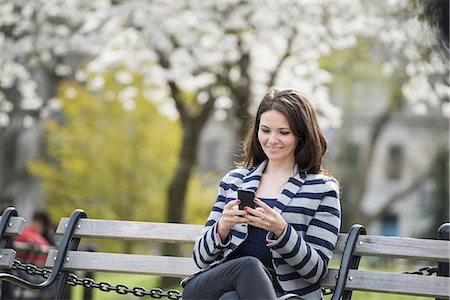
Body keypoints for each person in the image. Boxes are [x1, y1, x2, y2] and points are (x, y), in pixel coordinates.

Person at [181, 88, 341, 300]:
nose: (272, 140)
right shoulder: (234, 181)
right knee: (247, 267)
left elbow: (315, 272)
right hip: (210, 287)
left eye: (283, 132)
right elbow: (200, 258)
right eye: (265, 130)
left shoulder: (321, 190)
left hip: (282, 294)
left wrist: (282, 231)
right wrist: (222, 227)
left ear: (301, 135)